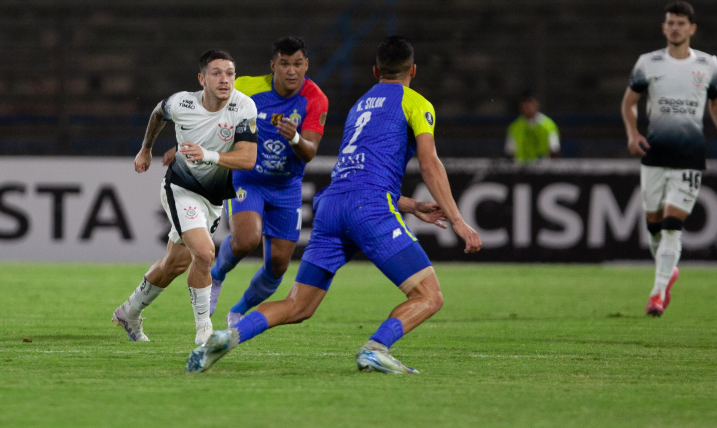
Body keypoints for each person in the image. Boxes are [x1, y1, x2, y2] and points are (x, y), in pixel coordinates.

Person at [187, 35, 482, 374]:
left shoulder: (360, 105)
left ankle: (228, 337)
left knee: (298, 305)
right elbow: (429, 164)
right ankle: (376, 347)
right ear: (412, 70)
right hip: (368, 208)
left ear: (375, 72)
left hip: (332, 205)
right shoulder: (415, 103)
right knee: (429, 296)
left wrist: (410, 205)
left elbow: (357, 173)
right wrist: (459, 220)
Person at [163, 36, 329, 327]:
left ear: (306, 65)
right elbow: (205, 110)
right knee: (246, 239)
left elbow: (310, 152)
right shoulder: (247, 88)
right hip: (246, 177)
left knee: (277, 266)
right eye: (285, 64)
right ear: (272, 65)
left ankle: (238, 310)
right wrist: (183, 145)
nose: (292, 71)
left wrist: (294, 137)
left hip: (287, 185)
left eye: (298, 64)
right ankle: (215, 277)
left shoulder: (315, 99)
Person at [112, 49, 258, 345]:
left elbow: (248, 159)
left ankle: (129, 311)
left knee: (174, 264)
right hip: (181, 187)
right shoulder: (183, 102)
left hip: (213, 198)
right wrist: (146, 149)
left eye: (230, 73)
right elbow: (158, 113)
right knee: (204, 254)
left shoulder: (244, 107)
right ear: (202, 79)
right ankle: (204, 331)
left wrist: (208, 155)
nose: (225, 79)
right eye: (216, 73)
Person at [621, 0, 717, 317]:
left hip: (689, 155)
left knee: (673, 226)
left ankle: (657, 294)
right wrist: (633, 134)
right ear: (664, 27)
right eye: (670, 22)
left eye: (681, 23)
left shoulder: (708, 64)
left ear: (692, 28)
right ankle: (668, 270)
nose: (675, 27)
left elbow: (716, 104)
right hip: (655, 154)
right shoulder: (648, 63)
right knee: (654, 228)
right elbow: (629, 102)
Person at [504, 92, 561, 162]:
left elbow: (554, 150)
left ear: (536, 104)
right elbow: (510, 152)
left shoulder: (548, 125)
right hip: (520, 169)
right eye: (524, 104)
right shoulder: (514, 126)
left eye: (530, 103)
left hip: (543, 169)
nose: (527, 107)